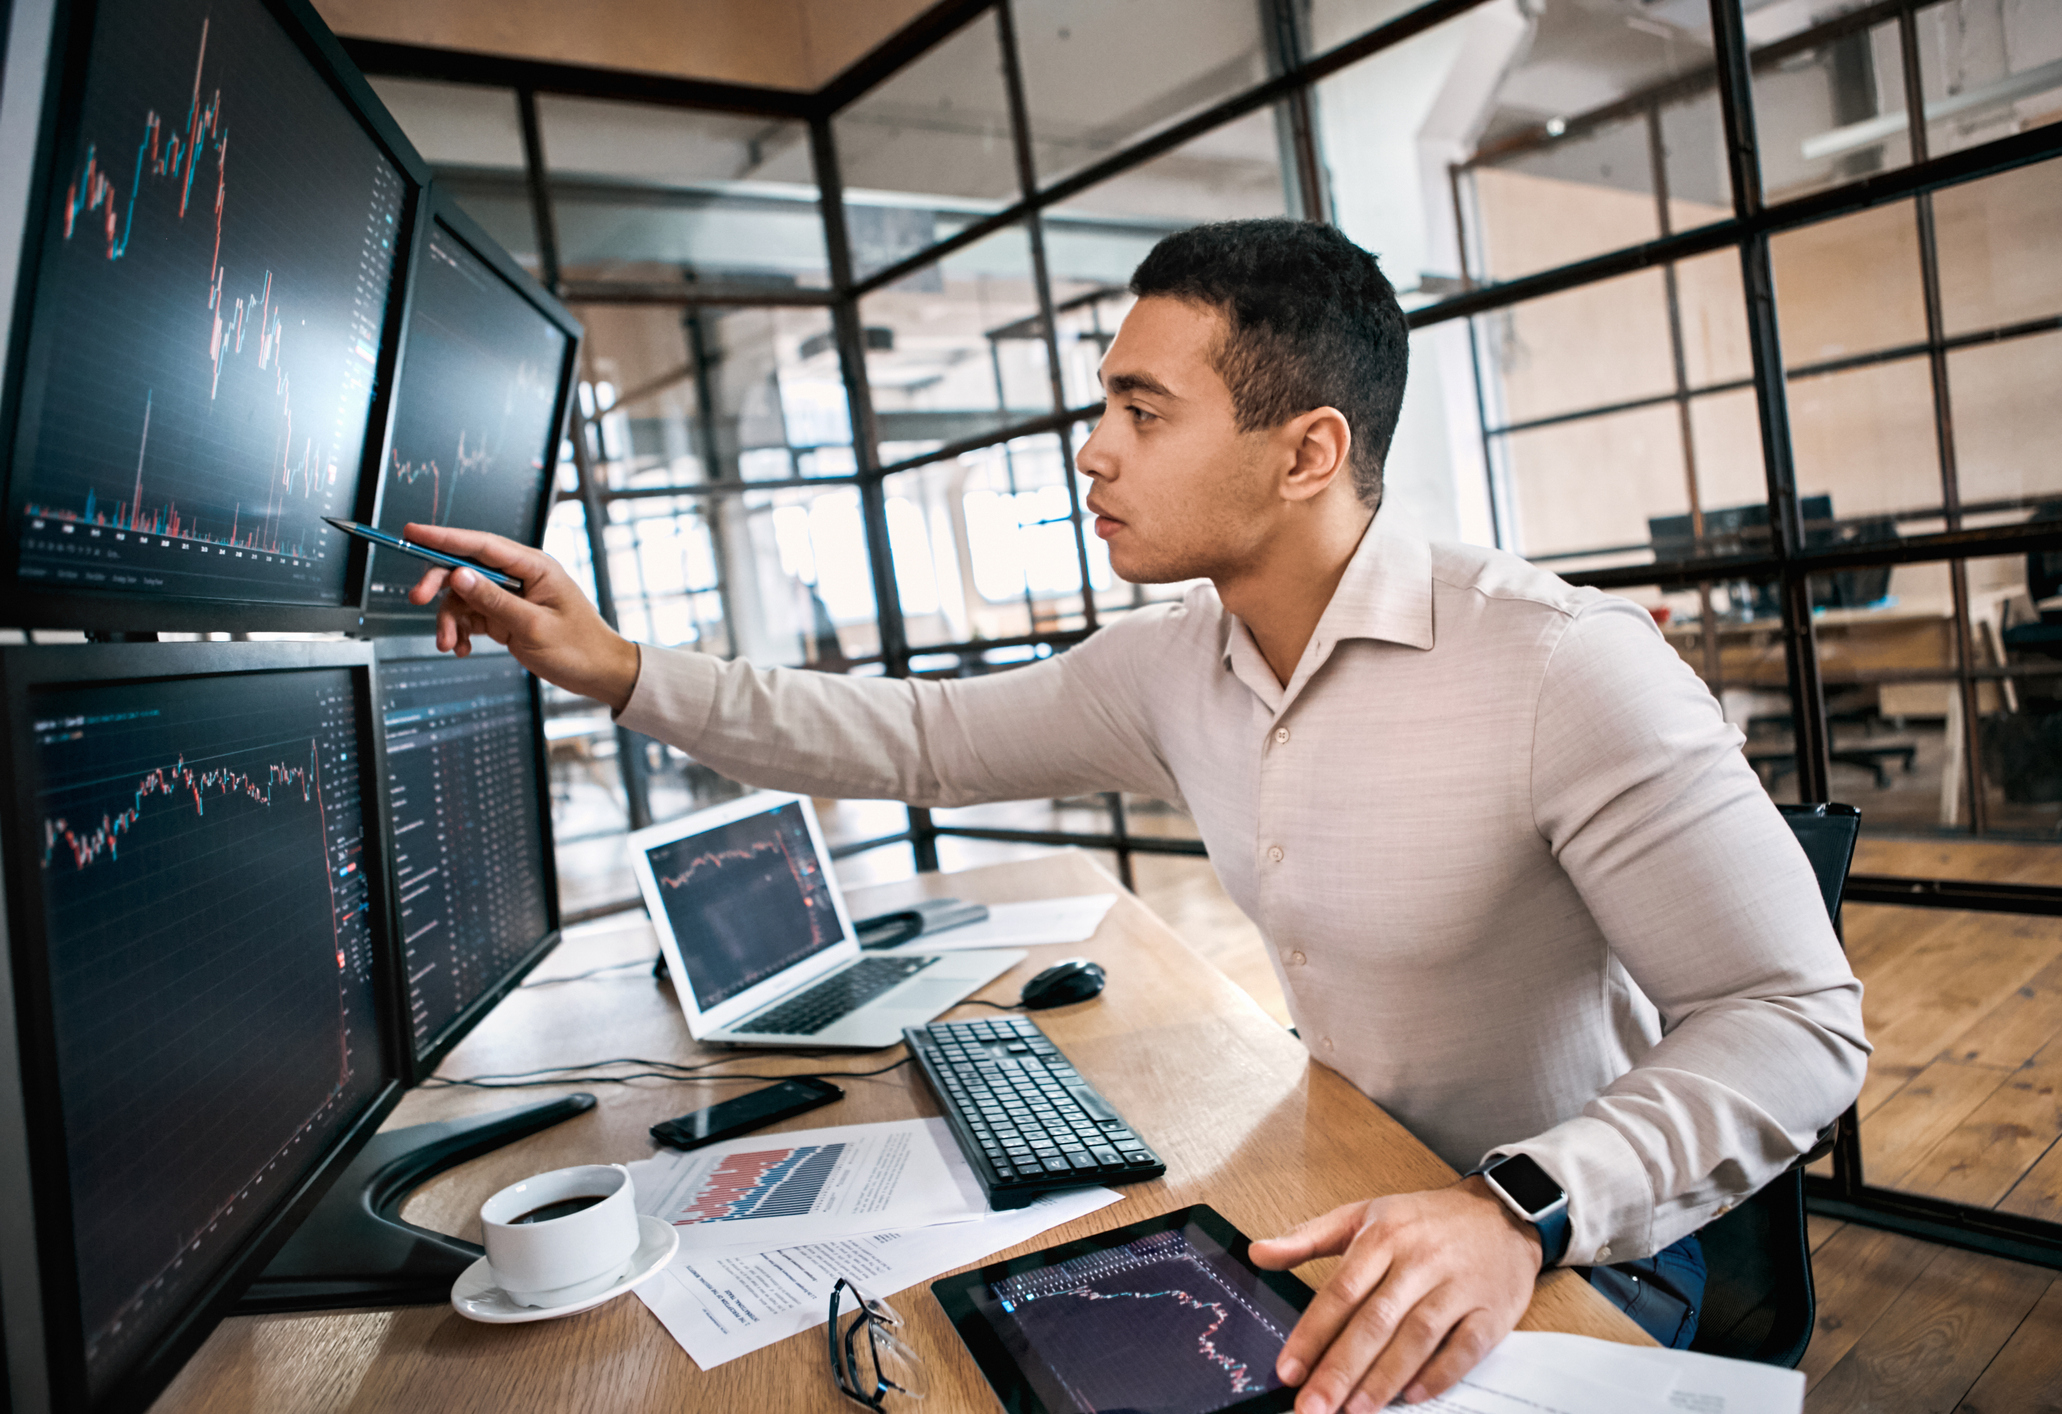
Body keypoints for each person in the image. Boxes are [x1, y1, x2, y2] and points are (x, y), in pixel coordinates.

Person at [408, 219, 1867, 1414]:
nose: (1089, 451)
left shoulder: (1561, 664)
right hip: (1341, 1181)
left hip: (1564, 1247)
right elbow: (915, 731)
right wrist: (614, 667)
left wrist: (1520, 1208)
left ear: (1306, 452)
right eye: (1102, 403)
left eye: (1139, 410)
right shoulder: (1179, 658)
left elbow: (1794, 1016)